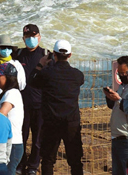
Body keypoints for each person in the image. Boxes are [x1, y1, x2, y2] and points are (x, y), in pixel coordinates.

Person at [30, 40, 84, 175]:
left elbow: (32, 81)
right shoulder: (77, 75)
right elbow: (80, 81)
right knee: (75, 160)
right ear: (70, 55)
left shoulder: (47, 73)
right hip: (71, 122)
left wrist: (41, 64)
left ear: (53, 54)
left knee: (48, 159)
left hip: (51, 122)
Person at [13, 24, 52, 175]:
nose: (31, 40)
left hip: (40, 105)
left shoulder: (46, 54)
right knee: (21, 136)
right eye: (27, 37)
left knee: (37, 138)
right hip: (21, 105)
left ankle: (34, 166)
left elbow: (54, 77)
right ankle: (21, 164)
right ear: (23, 39)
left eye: (33, 37)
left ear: (39, 37)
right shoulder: (18, 54)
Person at [103, 56, 128, 175]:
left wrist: (118, 99)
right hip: (116, 136)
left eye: (124, 73)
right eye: (119, 73)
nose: (121, 76)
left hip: (126, 137)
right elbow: (117, 106)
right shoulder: (123, 86)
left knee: (126, 170)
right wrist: (110, 98)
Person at [0, 62, 25, 175]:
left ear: (8, 77)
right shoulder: (6, 94)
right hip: (7, 143)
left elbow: (1, 114)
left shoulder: (12, 93)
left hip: (13, 145)